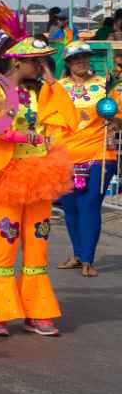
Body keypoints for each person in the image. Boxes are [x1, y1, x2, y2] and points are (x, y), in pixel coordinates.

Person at [0, 0, 76, 337]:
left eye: (42, 61)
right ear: (17, 60)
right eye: (36, 61)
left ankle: (37, 311)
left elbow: (65, 117)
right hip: (3, 176)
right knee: (5, 244)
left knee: (38, 243)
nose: (40, 66)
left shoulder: (43, 92)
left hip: (40, 175)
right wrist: (8, 133)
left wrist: (50, 80)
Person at [56, 41, 120, 277]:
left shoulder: (105, 85)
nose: (81, 61)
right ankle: (78, 254)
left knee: (89, 204)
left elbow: (118, 117)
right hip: (65, 157)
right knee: (70, 207)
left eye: (84, 57)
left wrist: (115, 121)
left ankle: (88, 260)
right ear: (68, 62)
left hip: (99, 154)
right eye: (75, 58)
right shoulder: (58, 88)